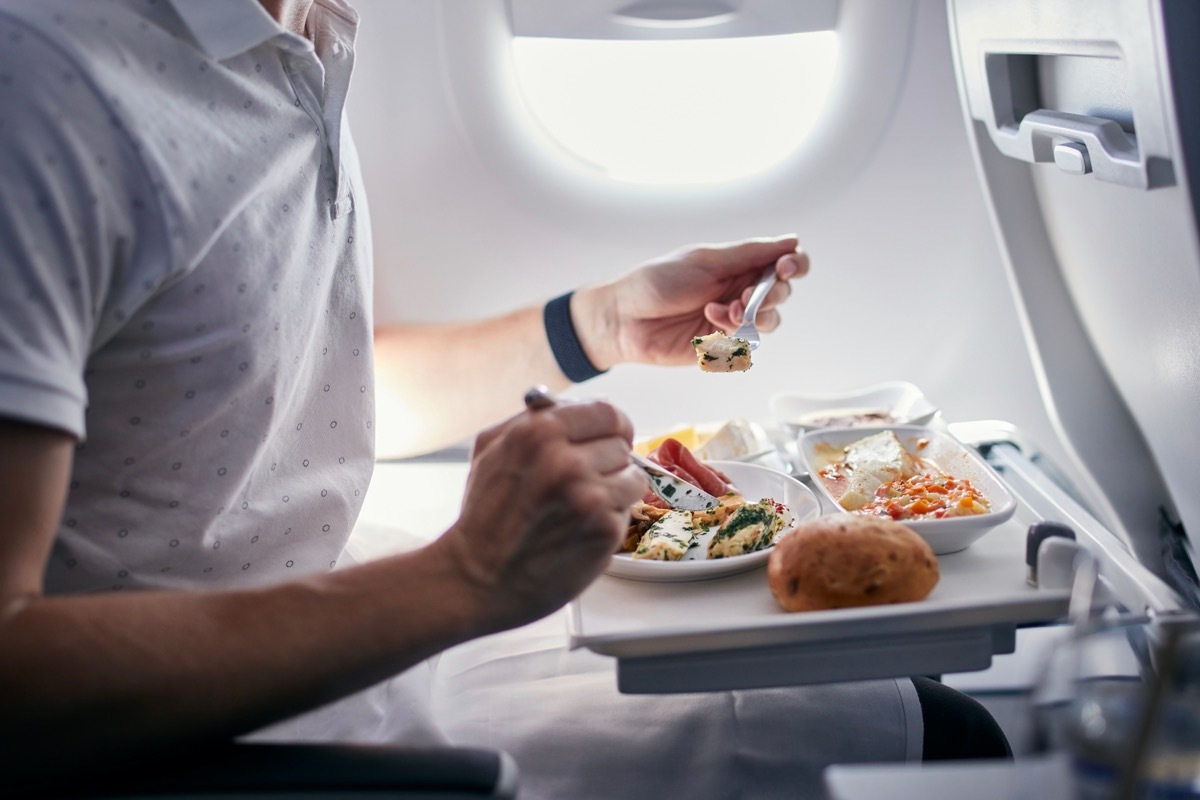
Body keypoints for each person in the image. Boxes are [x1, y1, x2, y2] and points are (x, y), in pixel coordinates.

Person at [0, 0, 1007, 796]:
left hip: (360, 619)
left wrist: (600, 325)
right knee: (946, 739)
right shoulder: (44, 87)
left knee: (890, 681)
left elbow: (295, 397)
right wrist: (464, 575)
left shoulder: (303, 32)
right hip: (234, 729)